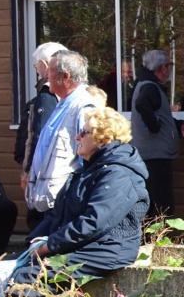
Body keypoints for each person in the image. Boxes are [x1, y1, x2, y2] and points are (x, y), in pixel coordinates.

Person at [21, 107, 149, 284]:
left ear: (102, 139)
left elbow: (94, 222)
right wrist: (33, 242)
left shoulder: (118, 174)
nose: (77, 137)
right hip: (81, 246)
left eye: (84, 133)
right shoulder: (85, 171)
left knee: (26, 279)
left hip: (105, 250)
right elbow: (56, 214)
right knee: (17, 267)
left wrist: (50, 245)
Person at [26, 51, 100, 223]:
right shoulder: (64, 103)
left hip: (65, 203)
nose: (46, 76)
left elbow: (89, 159)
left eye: (50, 71)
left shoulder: (84, 106)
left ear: (65, 76)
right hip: (53, 201)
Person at [131, 50, 184, 219]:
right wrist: (154, 127)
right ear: (163, 68)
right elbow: (142, 105)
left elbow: (162, 115)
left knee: (155, 199)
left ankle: (152, 238)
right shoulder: (150, 87)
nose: (171, 70)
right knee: (160, 201)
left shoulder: (147, 84)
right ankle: (152, 239)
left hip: (152, 153)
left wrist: (179, 124)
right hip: (154, 155)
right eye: (170, 66)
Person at [15, 42, 66, 231]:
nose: (36, 70)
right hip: (60, 170)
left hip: (46, 173)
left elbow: (41, 136)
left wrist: (28, 171)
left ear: (45, 65)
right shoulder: (74, 92)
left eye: (36, 65)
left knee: (39, 223)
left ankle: (37, 258)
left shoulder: (48, 93)